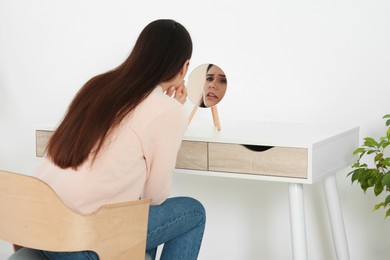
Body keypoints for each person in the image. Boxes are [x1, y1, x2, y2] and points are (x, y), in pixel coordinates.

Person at [32, 19, 206, 260]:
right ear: (184, 67)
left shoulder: (97, 86)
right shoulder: (168, 111)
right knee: (193, 212)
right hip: (81, 238)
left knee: (137, 219)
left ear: (140, 52)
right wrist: (171, 112)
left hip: (39, 226)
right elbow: (154, 196)